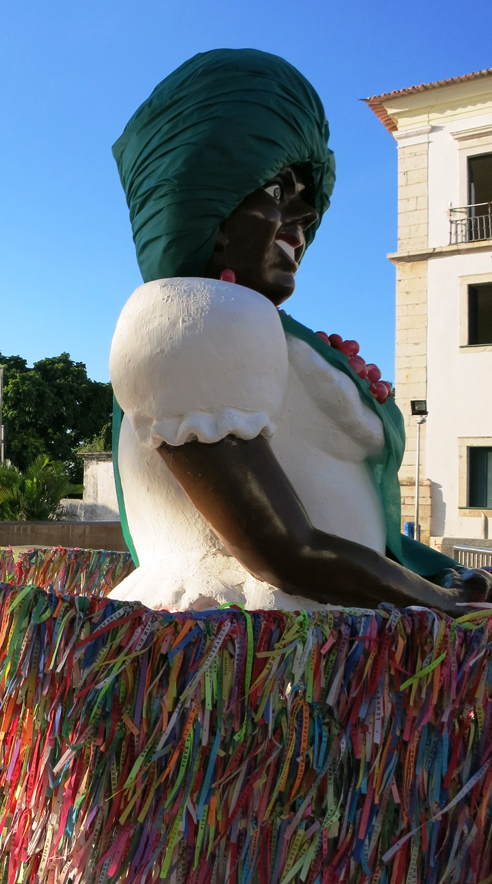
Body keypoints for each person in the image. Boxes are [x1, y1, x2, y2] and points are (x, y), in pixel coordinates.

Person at [107, 48, 492, 613]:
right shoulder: (185, 315)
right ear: (206, 204)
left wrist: (441, 569)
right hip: (251, 649)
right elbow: (284, 549)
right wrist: (436, 600)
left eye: (309, 199)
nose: (306, 216)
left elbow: (337, 510)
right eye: (279, 192)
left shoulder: (264, 329)